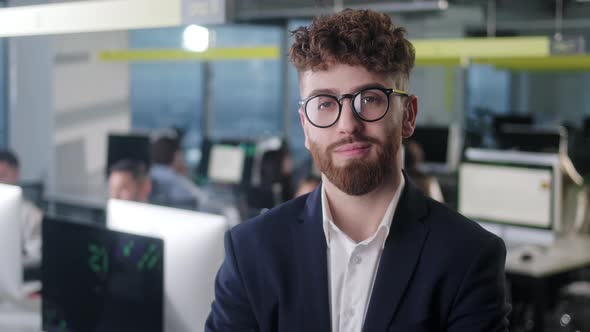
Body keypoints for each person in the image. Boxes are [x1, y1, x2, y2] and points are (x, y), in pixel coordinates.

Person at [206, 9, 510, 332]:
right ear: (306, 127)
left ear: (408, 116)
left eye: (370, 99)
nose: (348, 125)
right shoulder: (251, 251)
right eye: (325, 103)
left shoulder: (469, 257)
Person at [0, 150, 43, 267]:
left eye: (2, 176)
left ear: (16, 174)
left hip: (16, 275)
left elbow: (35, 257)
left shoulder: (33, 215)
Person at [149, 136, 201, 209]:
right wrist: (185, 177)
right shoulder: (175, 180)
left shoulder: (150, 173)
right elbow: (200, 199)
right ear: (176, 155)